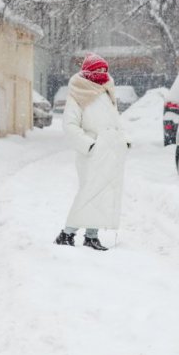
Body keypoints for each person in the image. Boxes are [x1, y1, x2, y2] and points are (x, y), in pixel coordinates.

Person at [54, 53, 129, 251]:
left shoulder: (106, 91)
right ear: (89, 71)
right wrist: (89, 145)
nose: (102, 73)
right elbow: (70, 125)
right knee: (88, 193)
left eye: (105, 70)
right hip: (91, 153)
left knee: (100, 195)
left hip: (109, 151)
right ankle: (67, 234)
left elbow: (114, 121)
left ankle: (91, 236)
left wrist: (124, 140)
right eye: (98, 69)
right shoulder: (78, 93)